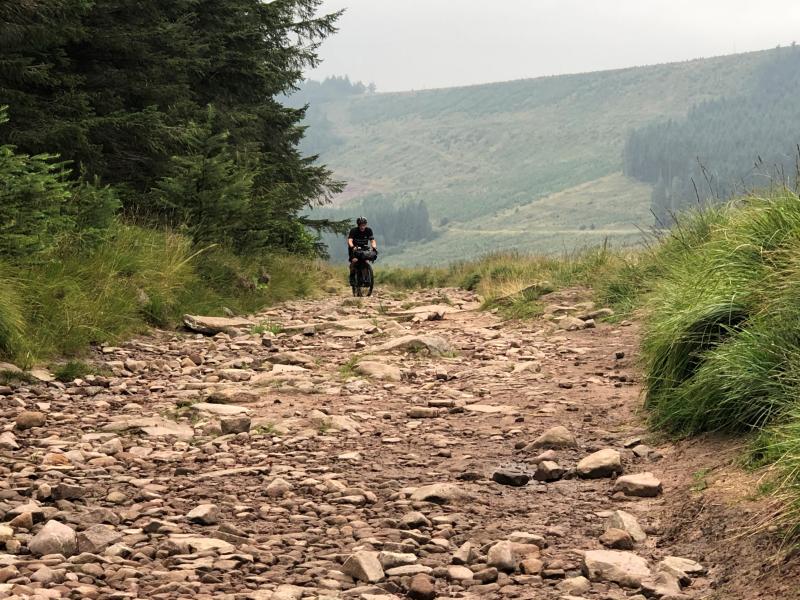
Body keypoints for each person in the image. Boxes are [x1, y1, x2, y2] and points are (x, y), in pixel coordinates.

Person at [348, 217, 377, 285]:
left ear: (366, 224)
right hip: (354, 247)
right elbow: (350, 240)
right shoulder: (354, 230)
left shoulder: (369, 230)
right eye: (361, 225)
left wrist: (374, 247)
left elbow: (372, 240)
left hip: (364, 248)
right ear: (358, 225)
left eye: (364, 225)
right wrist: (352, 247)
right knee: (354, 261)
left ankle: (366, 278)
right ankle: (352, 277)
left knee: (365, 261)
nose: (362, 226)